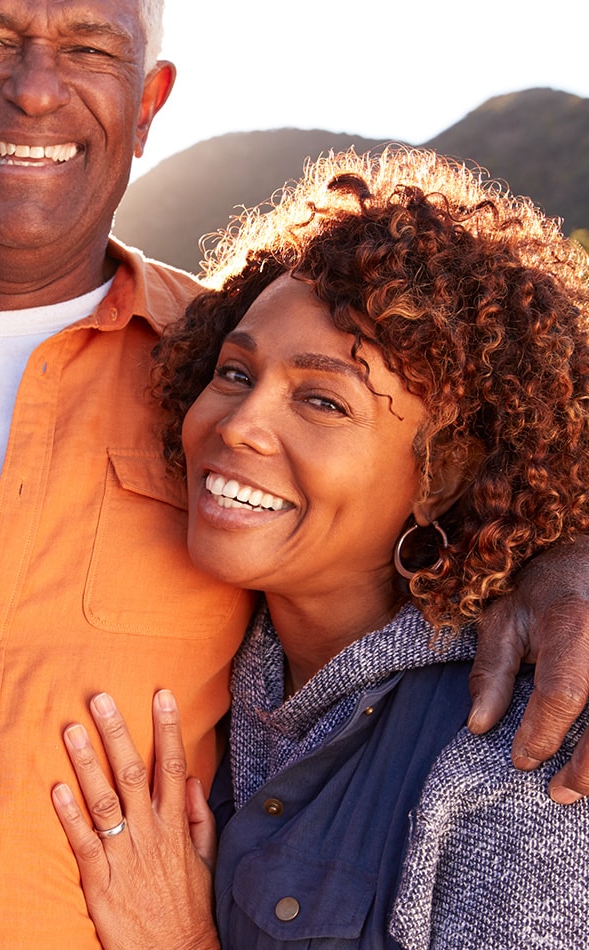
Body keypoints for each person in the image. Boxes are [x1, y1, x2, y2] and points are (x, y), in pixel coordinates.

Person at [0, 1, 585, 944]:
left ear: (148, 103)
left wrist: (565, 557)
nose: (36, 88)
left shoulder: (204, 355)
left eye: (88, 48)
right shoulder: (223, 384)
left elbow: (488, 465)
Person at [52, 147, 589, 949]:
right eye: (234, 373)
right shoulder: (226, 670)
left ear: (443, 475)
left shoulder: (522, 751)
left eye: (322, 400)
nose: (236, 425)